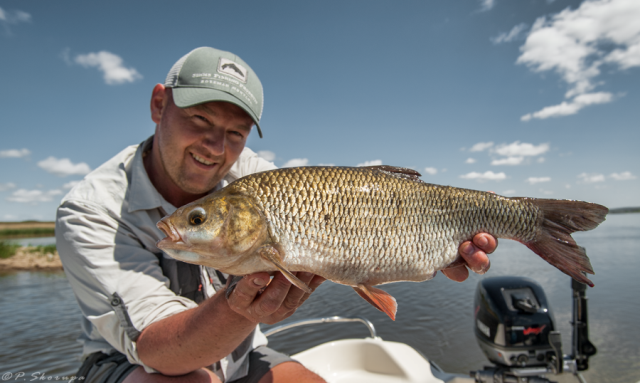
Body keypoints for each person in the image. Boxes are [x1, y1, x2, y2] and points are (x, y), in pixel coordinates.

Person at [56, 46, 496, 383]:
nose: (214, 147)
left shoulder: (255, 183)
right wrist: (239, 308)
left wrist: (426, 250)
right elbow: (158, 348)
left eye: (234, 133)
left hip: (239, 352)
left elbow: (348, 218)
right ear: (158, 105)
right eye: (199, 119)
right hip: (133, 364)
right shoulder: (91, 210)